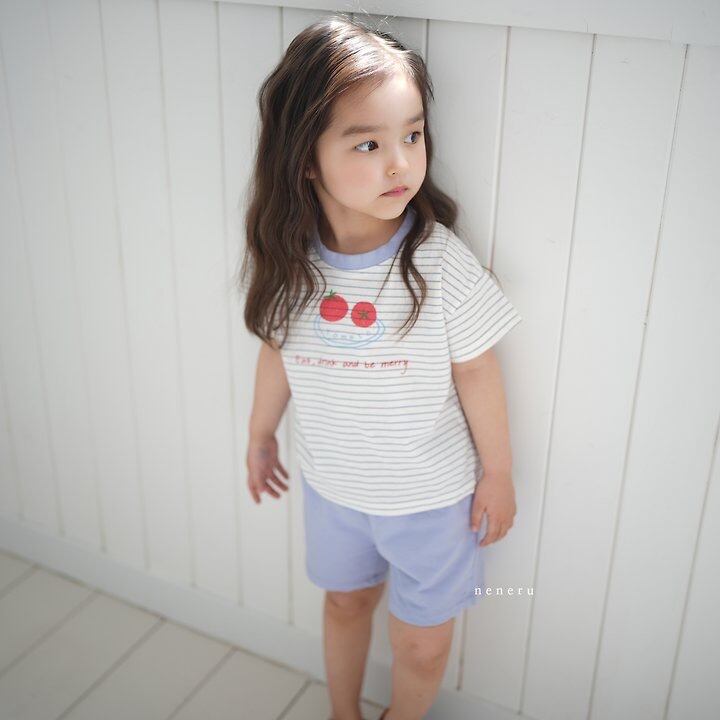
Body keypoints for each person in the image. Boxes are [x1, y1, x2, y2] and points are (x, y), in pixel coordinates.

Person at [238, 14, 523, 720]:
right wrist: (260, 433)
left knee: (421, 644)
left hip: (432, 500)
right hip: (334, 490)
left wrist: (497, 472)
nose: (400, 164)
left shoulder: (437, 261)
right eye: (368, 143)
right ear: (306, 159)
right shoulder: (292, 265)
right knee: (345, 603)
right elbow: (277, 354)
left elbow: (478, 372)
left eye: (412, 136)